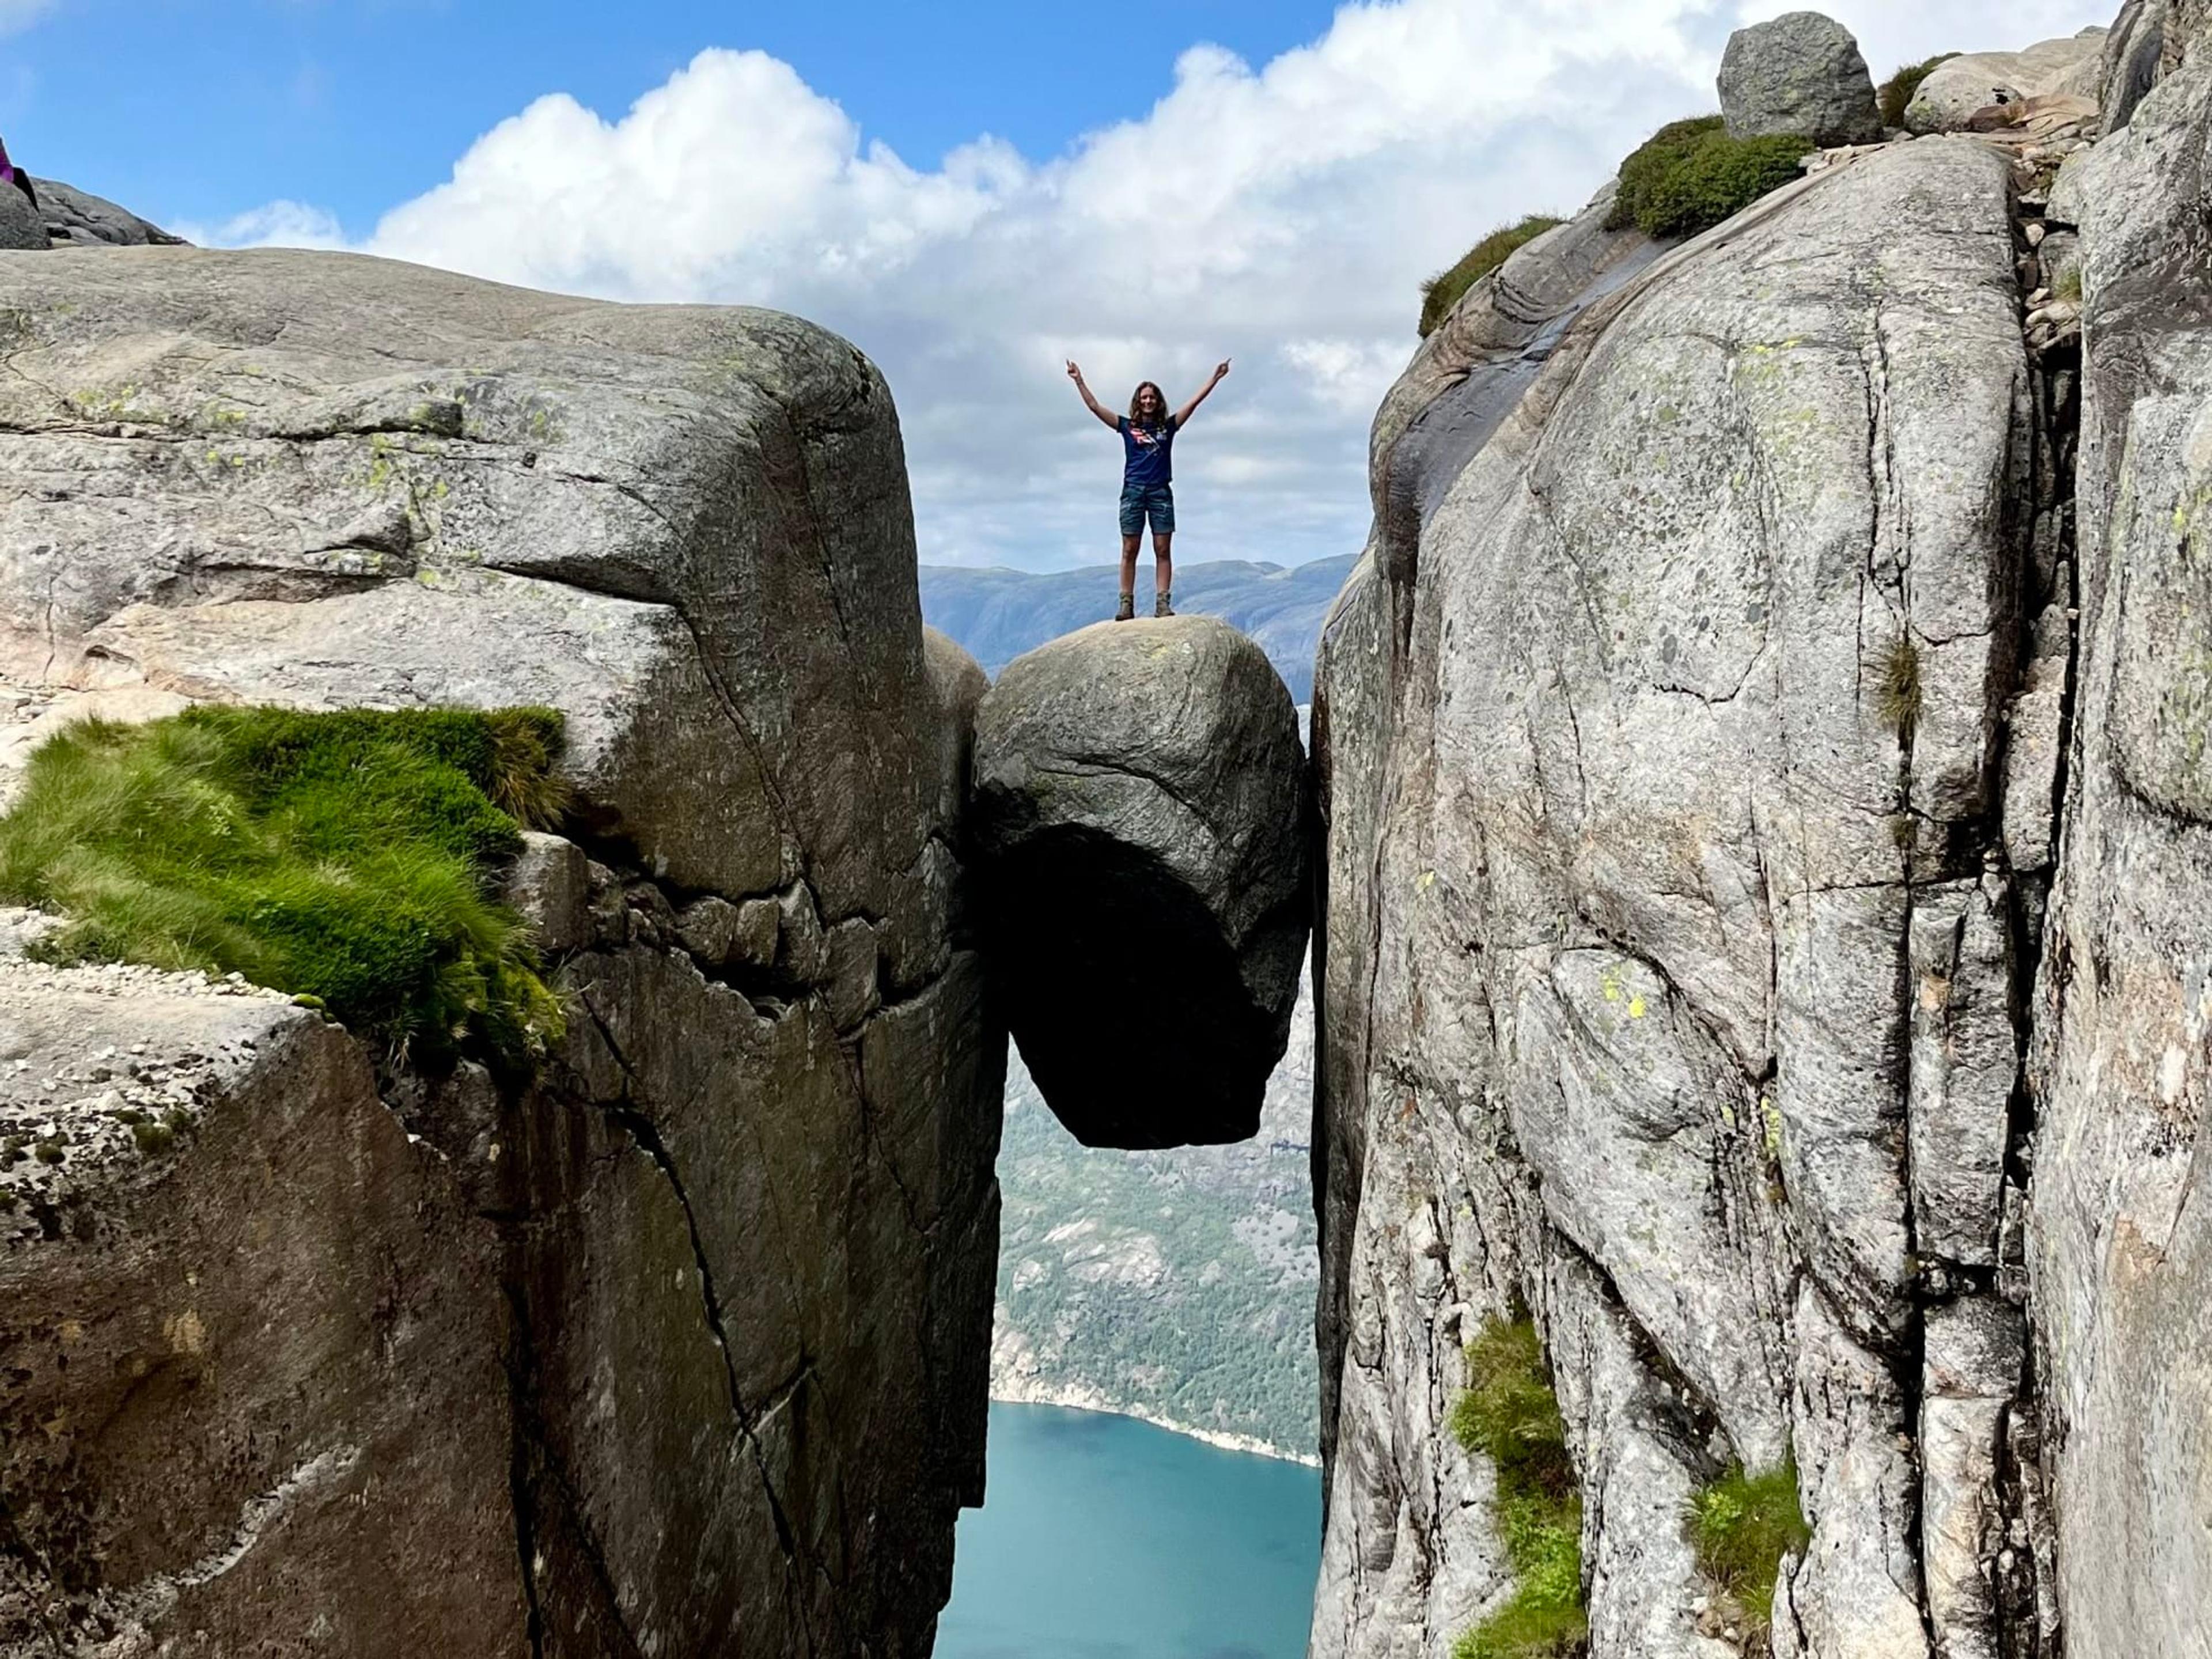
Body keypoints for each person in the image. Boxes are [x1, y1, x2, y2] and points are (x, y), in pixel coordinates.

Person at [1065, 358, 1229, 620]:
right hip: (1133, 491)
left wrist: (1215, 378)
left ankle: (1162, 603)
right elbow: (1095, 407)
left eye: (1152, 397)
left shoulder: (1168, 427)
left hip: (1160, 492)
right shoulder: (1127, 427)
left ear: (1158, 401)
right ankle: (1126, 603)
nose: (1148, 401)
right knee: (1130, 548)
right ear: (1137, 401)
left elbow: (1194, 403)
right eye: (1144, 397)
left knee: (1162, 549)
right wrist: (1079, 380)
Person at [0, 135, 36, 210]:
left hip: (6, 172)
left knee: (19, 173)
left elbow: (5, 162)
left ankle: (35, 210)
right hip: (5, 173)